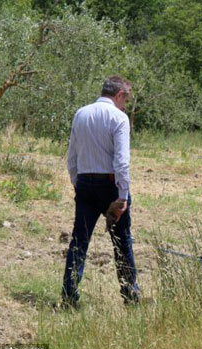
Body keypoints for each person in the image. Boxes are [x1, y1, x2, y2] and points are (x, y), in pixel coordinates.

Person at [62, 75, 139, 306]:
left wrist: (78, 183)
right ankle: (130, 296)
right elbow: (122, 162)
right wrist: (122, 196)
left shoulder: (81, 114)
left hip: (85, 182)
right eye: (126, 99)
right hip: (110, 185)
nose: (126, 105)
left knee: (79, 240)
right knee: (122, 241)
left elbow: (71, 157)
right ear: (119, 95)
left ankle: (69, 295)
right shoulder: (119, 118)